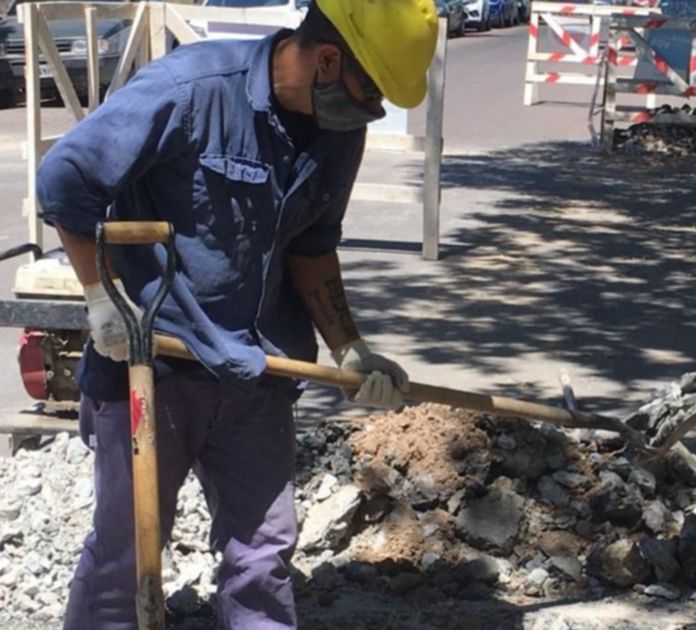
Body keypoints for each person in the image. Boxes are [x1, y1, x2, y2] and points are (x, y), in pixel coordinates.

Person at [35, 0, 438, 626]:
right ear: (328, 59)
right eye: (372, 90)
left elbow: (313, 244)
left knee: (263, 553)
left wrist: (350, 348)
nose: (374, 109)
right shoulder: (189, 91)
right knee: (128, 551)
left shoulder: (338, 132)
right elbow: (66, 181)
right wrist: (100, 300)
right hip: (152, 358)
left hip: (259, 368)